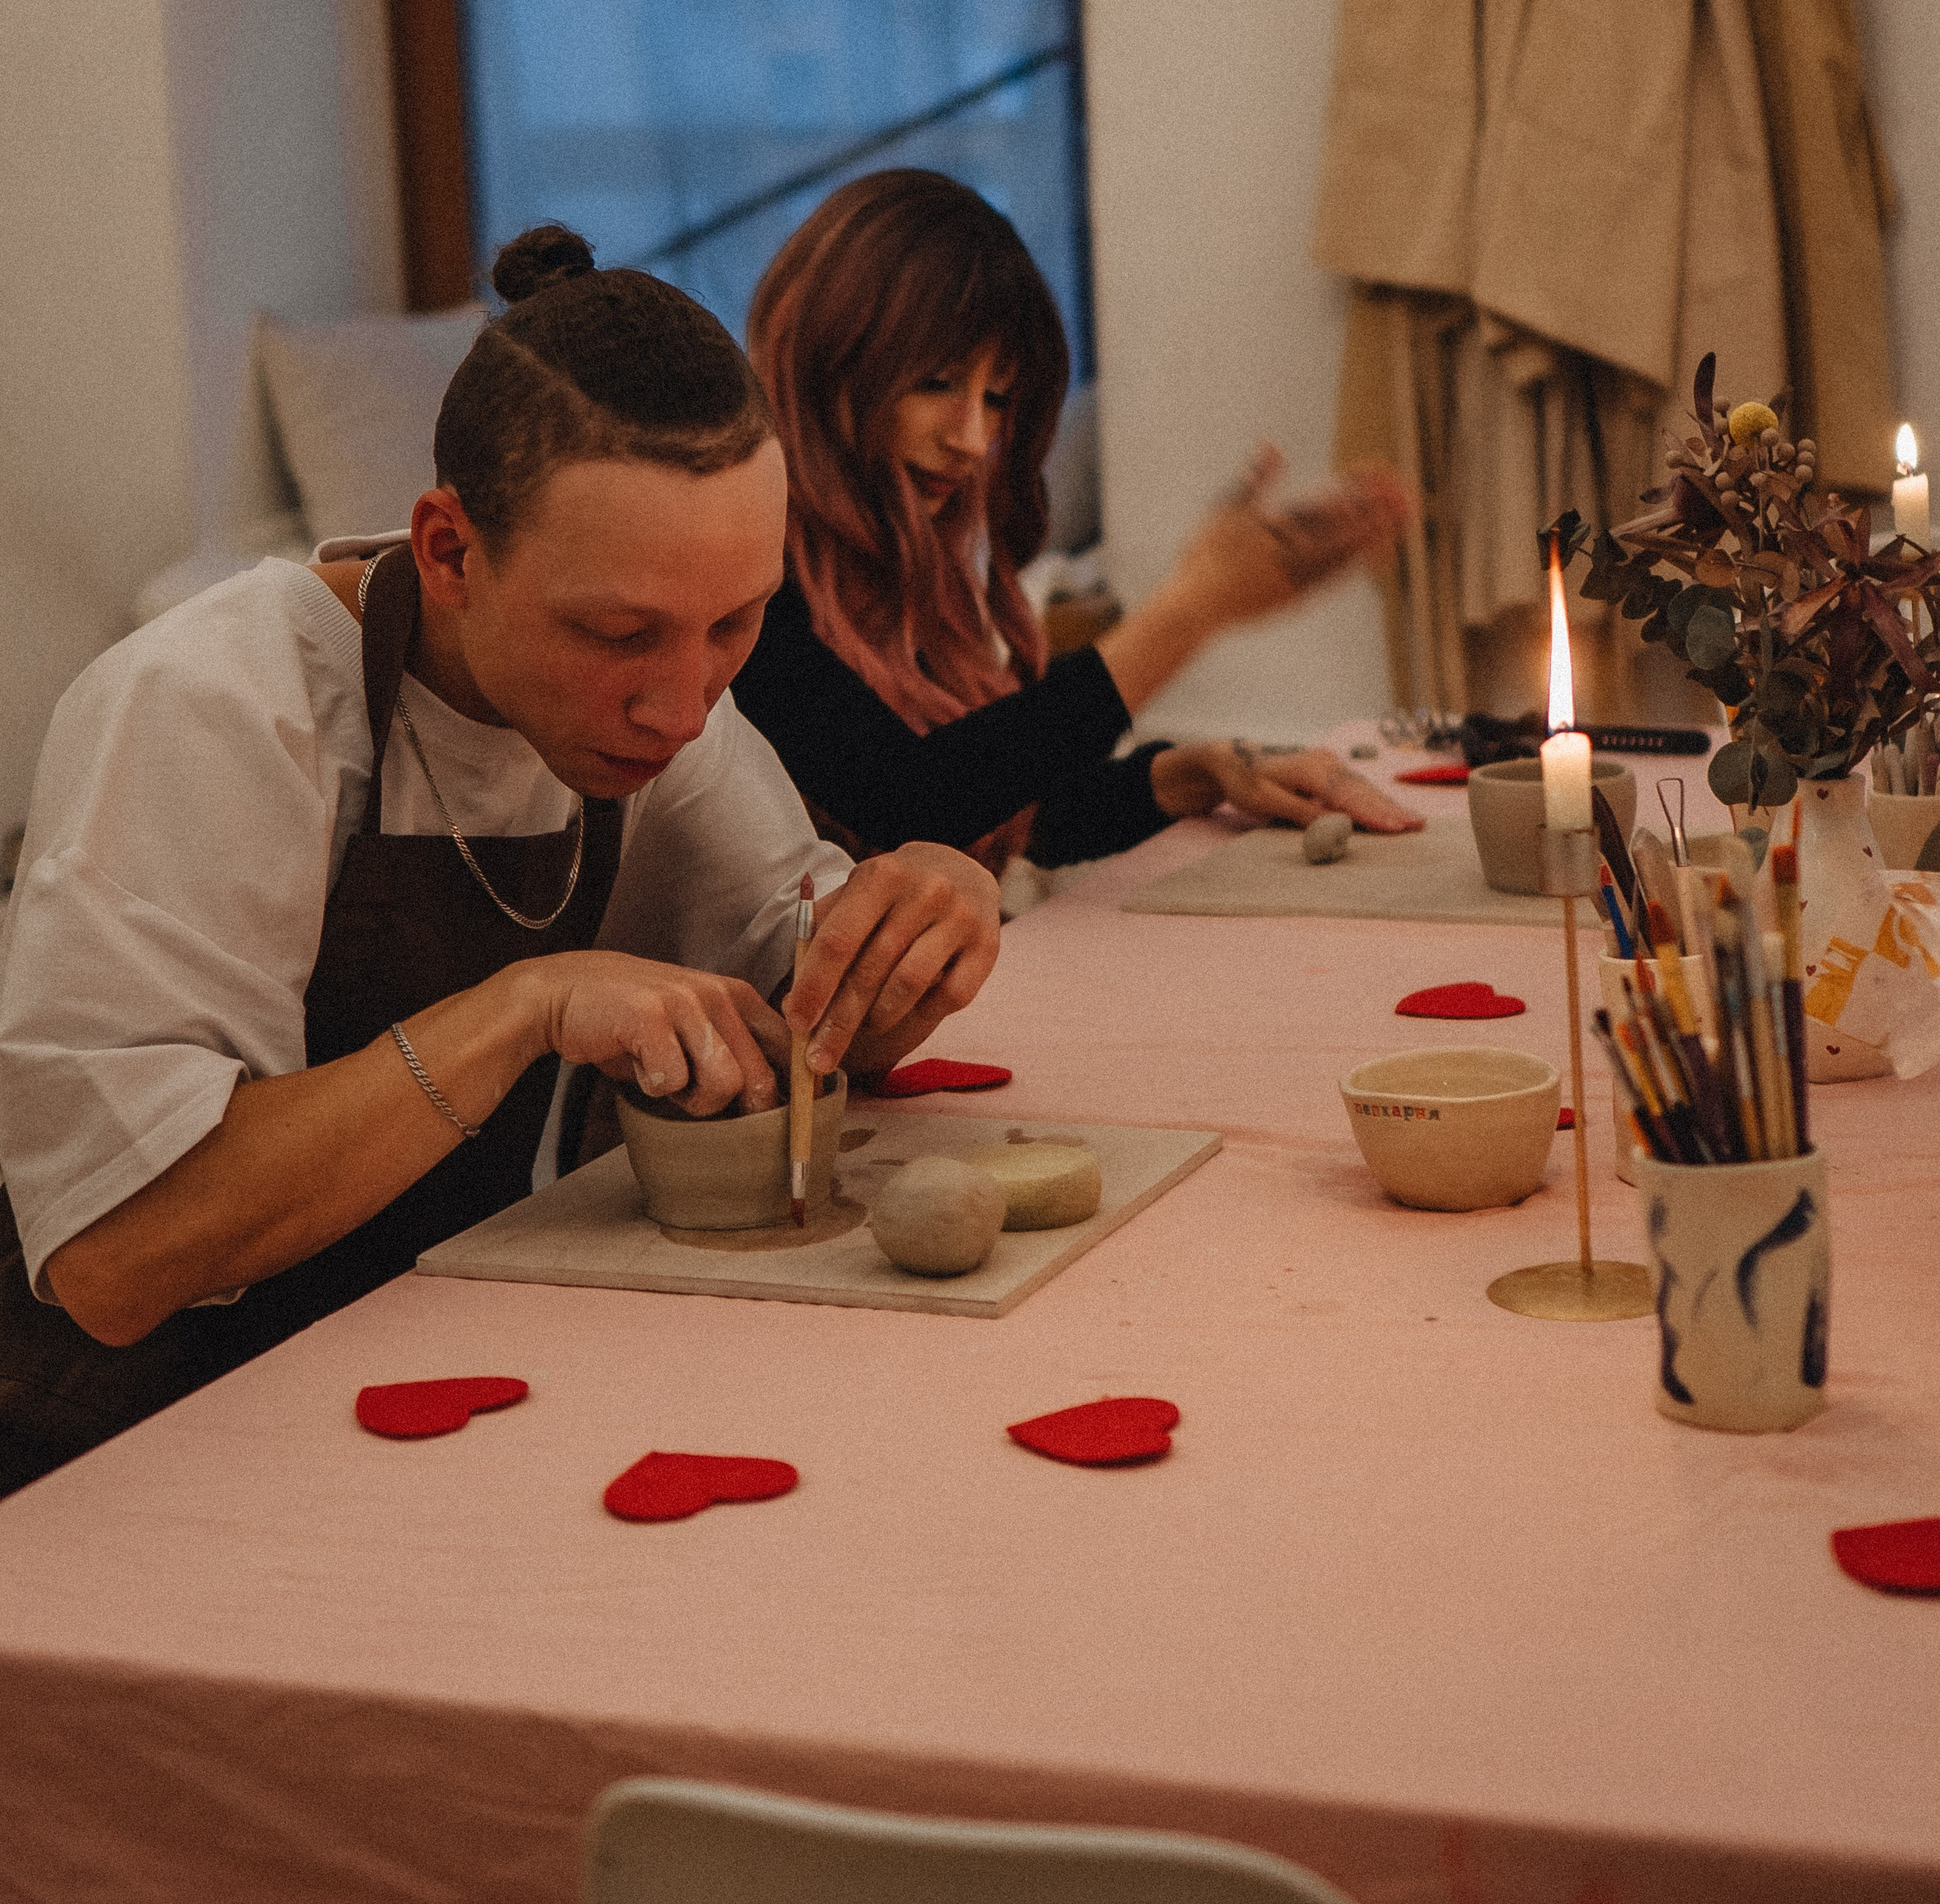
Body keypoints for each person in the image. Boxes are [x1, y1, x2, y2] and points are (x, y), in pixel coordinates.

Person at [0, 227, 999, 1495]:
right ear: (450, 550)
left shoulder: (661, 702)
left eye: (736, 624)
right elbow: (116, 1253)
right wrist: (524, 1005)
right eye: (619, 634)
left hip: (381, 1380)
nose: (684, 708)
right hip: (109, 1445)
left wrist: (925, 909)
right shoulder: (219, 706)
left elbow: (810, 1002)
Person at [735, 171, 1422, 872]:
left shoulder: (893, 571)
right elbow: (913, 801)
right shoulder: (741, 579)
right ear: (828, 361)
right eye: (936, 382)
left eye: (998, 397)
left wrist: (1197, 772)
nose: (972, 439)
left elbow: (1017, 812)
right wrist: (1190, 611)